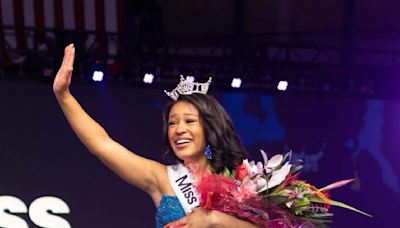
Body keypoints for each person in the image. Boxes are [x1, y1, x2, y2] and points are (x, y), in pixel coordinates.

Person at [53, 44, 260, 228]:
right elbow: (102, 144)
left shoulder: (241, 182)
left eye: (189, 121)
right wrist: (63, 95)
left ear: (210, 128)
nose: (178, 130)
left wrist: (213, 219)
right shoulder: (161, 177)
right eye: (172, 123)